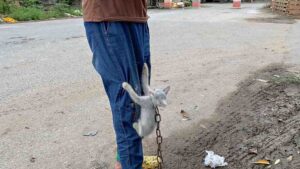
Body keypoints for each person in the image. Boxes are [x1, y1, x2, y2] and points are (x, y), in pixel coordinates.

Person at [82, 1, 150, 169]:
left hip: (137, 16)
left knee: (140, 98)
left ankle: (123, 161)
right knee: (128, 104)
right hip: (108, 15)